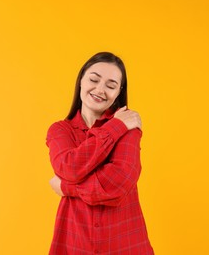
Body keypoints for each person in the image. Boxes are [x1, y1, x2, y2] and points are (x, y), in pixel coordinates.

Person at [46, 52, 154, 254]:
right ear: (81, 81)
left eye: (111, 85)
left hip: (126, 244)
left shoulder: (130, 128)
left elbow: (117, 182)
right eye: (94, 80)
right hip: (74, 242)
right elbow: (69, 167)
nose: (100, 90)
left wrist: (67, 187)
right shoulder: (59, 130)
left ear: (119, 92)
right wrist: (115, 127)